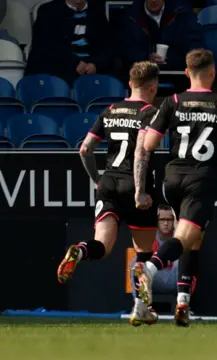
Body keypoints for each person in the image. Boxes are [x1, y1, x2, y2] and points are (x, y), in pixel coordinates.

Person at [132, 49, 217, 327]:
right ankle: (150, 268)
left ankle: (183, 303)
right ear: (213, 72)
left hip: (171, 180)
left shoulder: (172, 101)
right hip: (201, 179)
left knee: (194, 240)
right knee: (183, 238)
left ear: (186, 72)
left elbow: (148, 145)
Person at [56, 61, 161, 326]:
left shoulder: (110, 110)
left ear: (129, 83)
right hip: (136, 185)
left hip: (109, 183)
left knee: (101, 246)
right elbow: (142, 153)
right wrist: (139, 192)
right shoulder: (151, 112)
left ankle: (79, 251)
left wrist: (96, 179)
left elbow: (85, 149)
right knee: (144, 255)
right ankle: (141, 308)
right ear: (153, 86)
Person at [26, 0, 114, 85]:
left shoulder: (97, 10)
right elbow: (44, 47)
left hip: (90, 68)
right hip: (60, 69)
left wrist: (95, 64)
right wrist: (76, 63)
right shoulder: (47, 10)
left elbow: (107, 46)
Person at [129, 204, 197, 304]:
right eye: (162, 219)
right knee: (136, 262)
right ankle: (139, 304)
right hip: (154, 279)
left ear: (174, 221)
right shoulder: (150, 235)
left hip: (174, 278)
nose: (166, 223)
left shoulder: (181, 235)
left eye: (169, 220)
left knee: (184, 261)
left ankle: (184, 304)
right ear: (157, 221)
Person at [120, 0, 203, 72]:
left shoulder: (182, 13)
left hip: (179, 76)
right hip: (141, 77)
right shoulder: (131, 16)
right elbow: (125, 50)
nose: (154, 0)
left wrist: (171, 58)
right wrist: (146, 58)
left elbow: (195, 46)